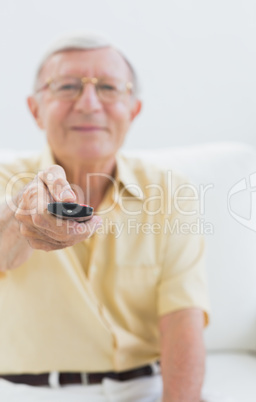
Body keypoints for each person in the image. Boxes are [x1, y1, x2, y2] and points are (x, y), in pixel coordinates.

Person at [0, 33, 211, 402]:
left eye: (109, 88)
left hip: (141, 390)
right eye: (67, 86)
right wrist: (22, 214)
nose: (89, 103)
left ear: (133, 109)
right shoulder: (6, 178)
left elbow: (182, 320)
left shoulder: (171, 190)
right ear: (36, 109)